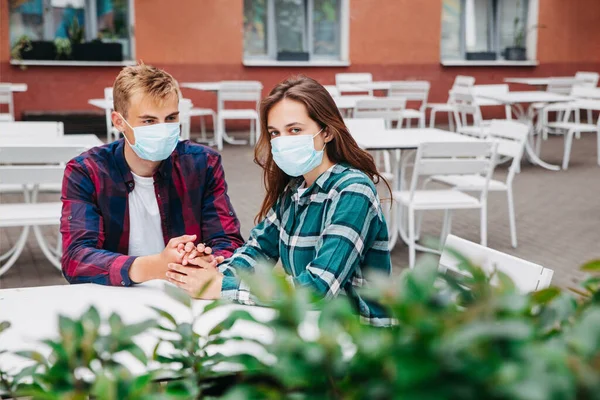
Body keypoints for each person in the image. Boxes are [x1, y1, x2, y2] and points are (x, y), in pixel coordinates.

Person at [166, 75, 392, 325]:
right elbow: (258, 249)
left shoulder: (353, 191)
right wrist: (209, 274)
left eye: (295, 130)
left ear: (326, 132)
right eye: (275, 132)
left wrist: (223, 287)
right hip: (314, 327)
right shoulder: (296, 190)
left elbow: (318, 289)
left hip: (360, 340)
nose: (283, 141)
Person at [60, 64, 244, 287]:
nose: (163, 129)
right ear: (119, 122)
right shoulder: (87, 172)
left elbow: (227, 241)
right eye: (149, 121)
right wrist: (155, 266)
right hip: (115, 296)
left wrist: (208, 259)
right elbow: (76, 258)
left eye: (170, 118)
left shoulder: (202, 165)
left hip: (185, 295)